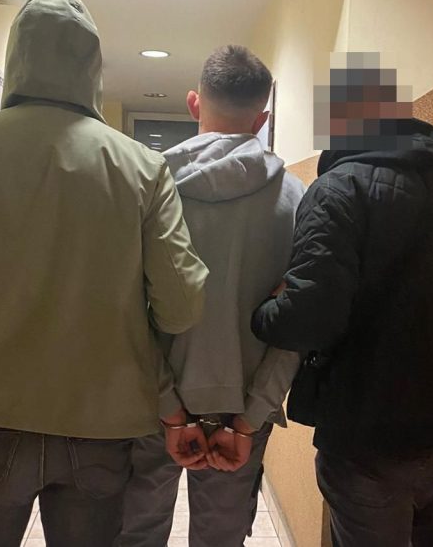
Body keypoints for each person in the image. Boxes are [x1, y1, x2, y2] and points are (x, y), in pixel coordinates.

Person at [0, 0, 207, 547]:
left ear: (16, 57)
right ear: (92, 67)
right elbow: (180, 308)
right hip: (100, 426)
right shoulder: (143, 170)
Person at [251, 57, 433, 547]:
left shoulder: (338, 191)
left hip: (370, 425)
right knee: (422, 495)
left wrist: (262, 313)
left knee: (384, 503)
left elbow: (309, 319)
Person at [118, 45, 305, 547]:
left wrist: (169, 408)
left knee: (136, 535)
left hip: (150, 405)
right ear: (262, 119)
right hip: (242, 407)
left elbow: (123, 313)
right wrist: (248, 421)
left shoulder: (143, 189)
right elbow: (296, 324)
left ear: (194, 103)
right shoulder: (297, 198)